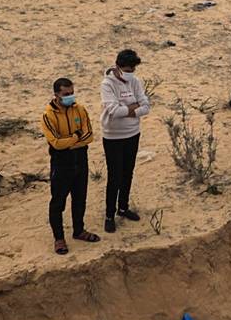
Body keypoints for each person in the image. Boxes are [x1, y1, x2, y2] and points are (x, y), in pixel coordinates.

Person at [42, 77, 98, 254]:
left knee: (80, 198)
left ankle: (79, 230)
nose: (70, 97)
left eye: (72, 93)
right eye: (66, 94)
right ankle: (59, 239)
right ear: (56, 94)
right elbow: (56, 143)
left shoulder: (80, 109)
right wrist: (75, 138)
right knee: (58, 202)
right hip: (61, 162)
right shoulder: (48, 115)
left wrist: (70, 141)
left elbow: (89, 136)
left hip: (80, 159)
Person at [97, 49, 150, 234]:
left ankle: (123, 207)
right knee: (114, 176)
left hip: (133, 134)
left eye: (133, 69)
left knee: (128, 172)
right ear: (118, 66)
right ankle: (109, 215)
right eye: (127, 69)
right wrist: (133, 108)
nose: (130, 73)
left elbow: (146, 106)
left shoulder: (135, 81)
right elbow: (113, 110)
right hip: (113, 136)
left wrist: (127, 109)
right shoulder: (107, 84)